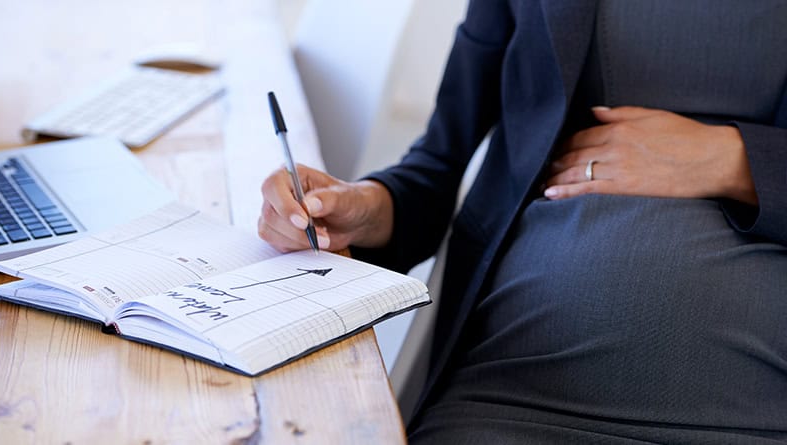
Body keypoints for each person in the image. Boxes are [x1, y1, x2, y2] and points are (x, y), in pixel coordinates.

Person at [260, 0, 787, 443]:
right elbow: (440, 163)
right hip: (514, 388)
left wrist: (733, 159)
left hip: (755, 405)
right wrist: (363, 208)